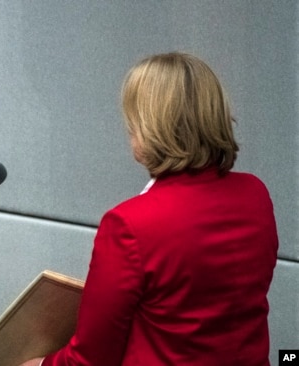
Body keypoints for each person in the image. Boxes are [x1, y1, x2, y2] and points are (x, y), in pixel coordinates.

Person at [20, 52, 278, 366]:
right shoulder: (255, 194)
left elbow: (91, 360)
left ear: (152, 127)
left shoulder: (129, 224)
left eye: (133, 120)